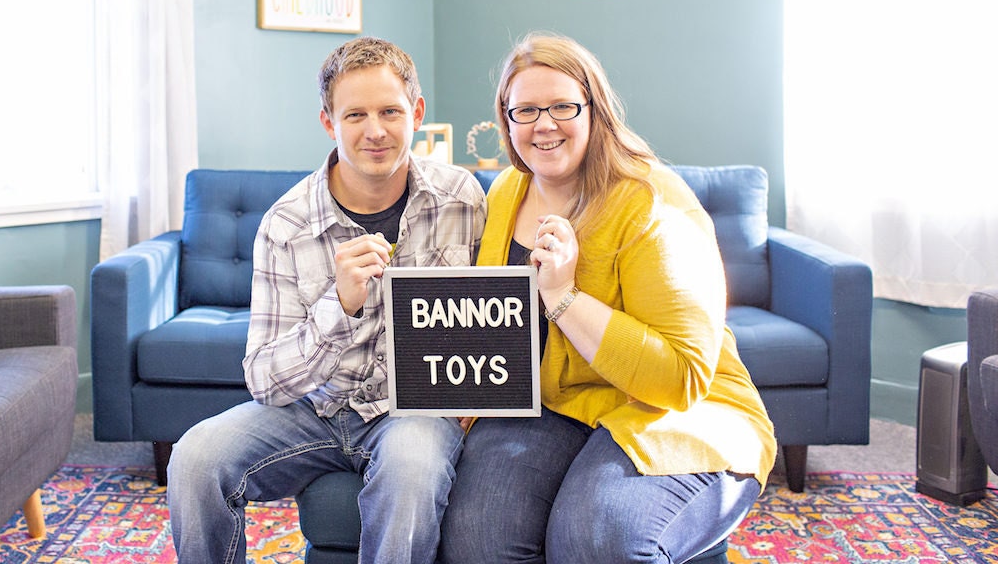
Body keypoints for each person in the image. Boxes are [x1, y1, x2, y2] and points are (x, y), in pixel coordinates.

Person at [438, 33, 776, 564]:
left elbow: (682, 379)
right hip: (554, 404)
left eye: (562, 106)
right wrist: (473, 391)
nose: (543, 125)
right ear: (505, 119)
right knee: (478, 540)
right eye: (524, 110)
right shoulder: (506, 190)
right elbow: (496, 321)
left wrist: (565, 296)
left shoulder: (652, 203)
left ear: (595, 109)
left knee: (597, 540)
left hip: (670, 409)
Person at [167, 36, 487, 564]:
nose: (376, 130)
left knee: (411, 473)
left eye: (390, 111)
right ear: (328, 123)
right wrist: (339, 306)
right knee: (196, 458)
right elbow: (265, 380)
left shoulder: (463, 201)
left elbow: (489, 323)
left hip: (413, 411)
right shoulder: (286, 225)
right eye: (355, 114)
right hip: (314, 408)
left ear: (418, 113)